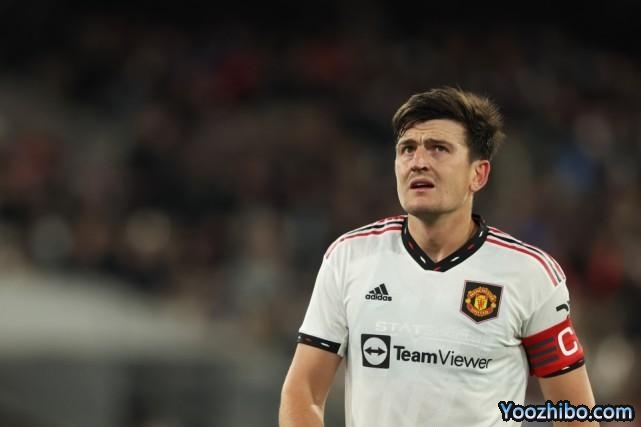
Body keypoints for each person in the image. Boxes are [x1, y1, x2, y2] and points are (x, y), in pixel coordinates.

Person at [279, 87, 596, 426]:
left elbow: (574, 413)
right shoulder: (349, 258)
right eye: (407, 149)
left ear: (478, 174)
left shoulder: (530, 274)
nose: (418, 162)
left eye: (439, 149)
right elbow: (303, 392)